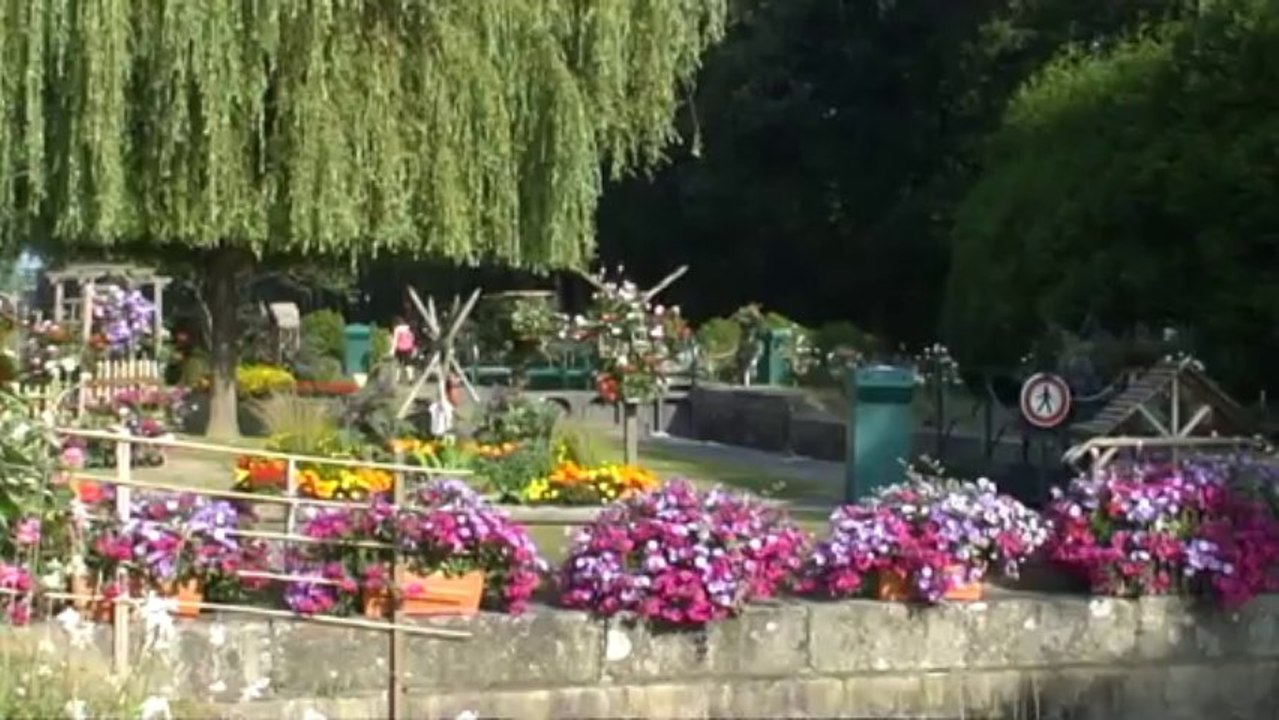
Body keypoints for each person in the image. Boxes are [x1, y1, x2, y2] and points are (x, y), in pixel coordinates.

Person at [390, 316, 416, 383]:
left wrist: (392, 351)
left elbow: (395, 340)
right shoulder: (408, 328)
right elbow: (412, 338)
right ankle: (410, 378)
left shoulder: (397, 329)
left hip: (400, 349)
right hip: (408, 348)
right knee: (408, 364)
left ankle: (397, 379)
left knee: (398, 364)